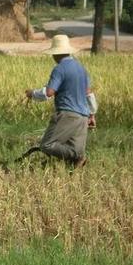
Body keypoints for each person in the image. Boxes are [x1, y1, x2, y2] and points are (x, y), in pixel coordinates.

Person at [24, 35, 97, 168]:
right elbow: (89, 94)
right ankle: (75, 160)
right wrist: (92, 115)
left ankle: (77, 157)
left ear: (56, 54)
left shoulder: (60, 68)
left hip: (67, 115)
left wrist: (32, 93)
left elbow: (49, 92)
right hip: (83, 117)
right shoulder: (82, 69)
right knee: (74, 149)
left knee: (47, 144)